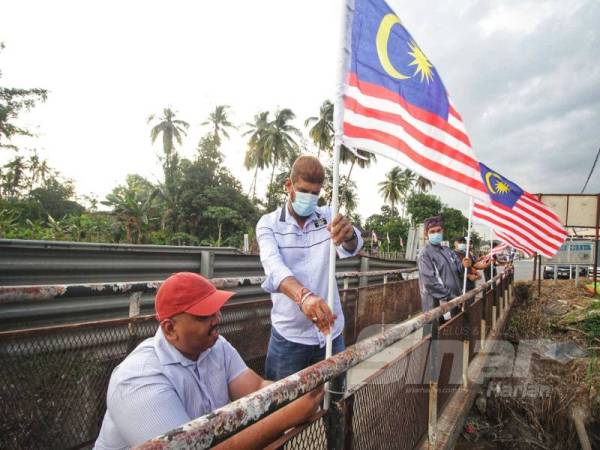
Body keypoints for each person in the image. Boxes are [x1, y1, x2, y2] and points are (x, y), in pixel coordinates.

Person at [94, 272, 322, 450]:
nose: (217, 320)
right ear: (170, 329)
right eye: (204, 315)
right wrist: (285, 416)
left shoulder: (215, 346)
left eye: (216, 310)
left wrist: (293, 393)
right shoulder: (138, 379)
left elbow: (255, 388)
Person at [256, 155, 364, 381]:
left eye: (315, 193)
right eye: (304, 191)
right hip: (289, 338)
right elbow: (274, 267)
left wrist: (349, 234)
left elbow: (352, 246)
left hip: (331, 334)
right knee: (282, 410)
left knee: (335, 400)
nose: (310, 198)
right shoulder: (269, 224)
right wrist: (303, 296)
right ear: (289, 186)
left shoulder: (328, 216)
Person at [417, 216, 470, 320]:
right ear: (426, 234)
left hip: (454, 300)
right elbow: (430, 283)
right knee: (437, 333)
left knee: (454, 329)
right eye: (432, 232)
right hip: (437, 304)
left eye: (438, 231)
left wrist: (464, 265)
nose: (436, 234)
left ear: (442, 231)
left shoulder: (447, 250)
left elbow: (458, 270)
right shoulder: (425, 254)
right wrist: (452, 297)